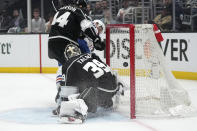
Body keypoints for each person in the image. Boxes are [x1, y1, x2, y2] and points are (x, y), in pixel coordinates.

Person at [53, 44, 124, 124]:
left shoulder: (69, 64)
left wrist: (62, 104)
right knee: (91, 83)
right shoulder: (91, 55)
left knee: (76, 96)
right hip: (114, 86)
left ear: (66, 57)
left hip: (100, 90)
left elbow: (67, 90)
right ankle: (107, 102)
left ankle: (78, 112)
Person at [48, 0, 104, 65]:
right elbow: (86, 26)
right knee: (76, 66)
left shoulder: (60, 10)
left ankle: (61, 74)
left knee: (64, 66)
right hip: (66, 42)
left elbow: (53, 2)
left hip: (51, 41)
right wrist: (96, 39)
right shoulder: (78, 11)